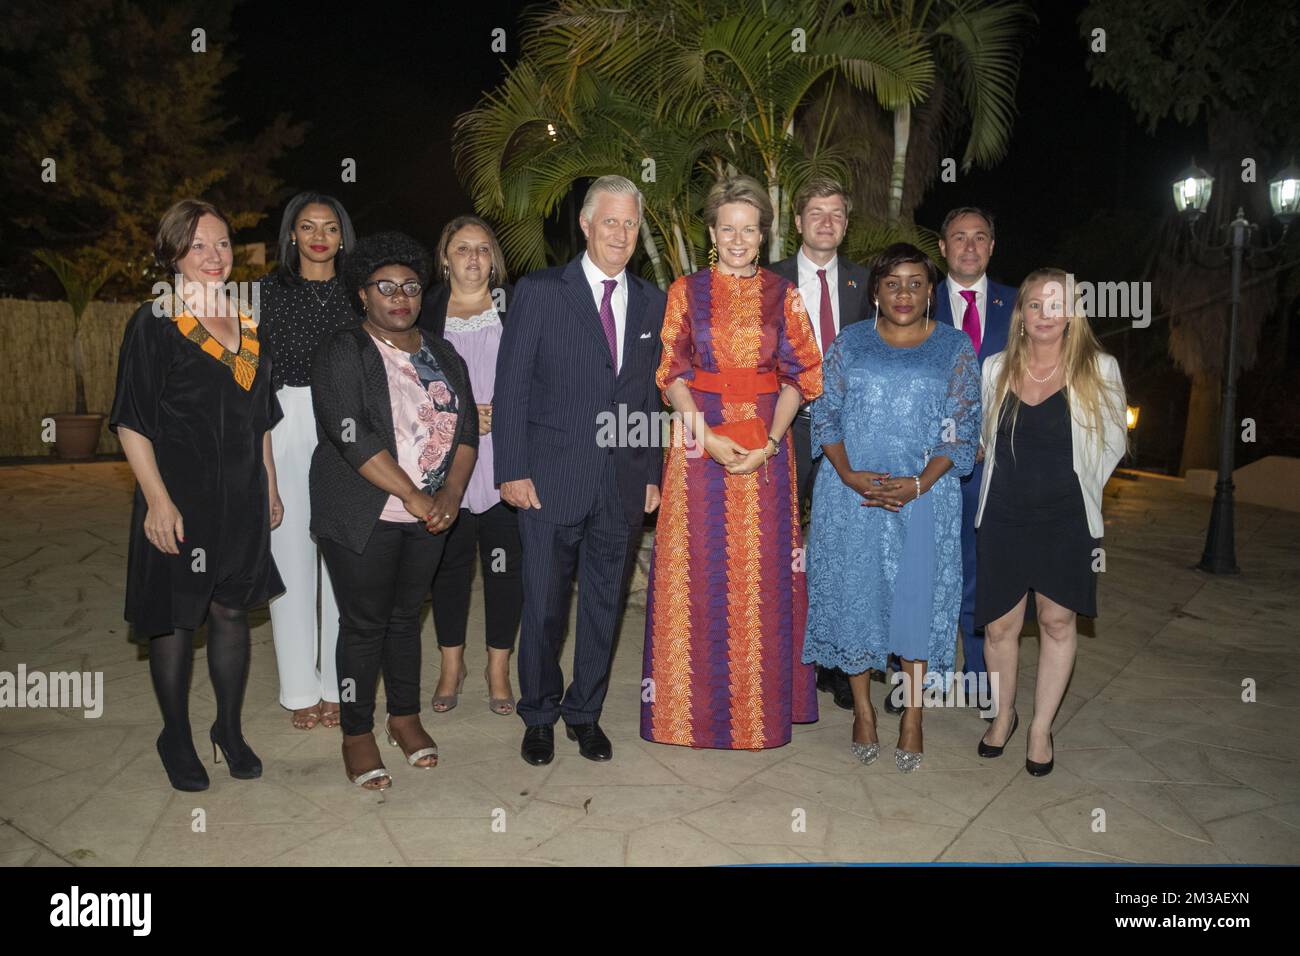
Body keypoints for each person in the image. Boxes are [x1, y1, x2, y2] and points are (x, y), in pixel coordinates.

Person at [641, 175, 823, 751]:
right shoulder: (684, 291)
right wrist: (707, 440)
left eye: (749, 228)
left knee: (762, 577)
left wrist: (770, 443)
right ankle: (682, 715)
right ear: (712, 233)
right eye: (728, 228)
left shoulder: (783, 295)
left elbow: (803, 375)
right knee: (694, 572)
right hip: (698, 449)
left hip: (767, 451)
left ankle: (759, 714)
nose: (739, 238)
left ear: (764, 233)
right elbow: (670, 373)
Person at [110, 199, 284, 791]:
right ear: (174, 253)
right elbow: (132, 421)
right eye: (199, 245)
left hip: (240, 496)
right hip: (179, 497)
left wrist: (270, 484)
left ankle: (228, 730)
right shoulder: (154, 320)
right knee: (177, 619)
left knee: (232, 612)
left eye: (223, 243)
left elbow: (259, 416)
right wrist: (157, 501)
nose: (215, 256)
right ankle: (175, 735)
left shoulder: (249, 319)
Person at [494, 175, 666, 766]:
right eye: (610, 221)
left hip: (619, 484)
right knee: (543, 605)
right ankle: (538, 714)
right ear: (586, 225)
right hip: (547, 480)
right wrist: (511, 469)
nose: (620, 233)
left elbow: (647, 398)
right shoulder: (541, 291)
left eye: (630, 223)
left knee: (602, 605)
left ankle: (583, 713)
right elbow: (511, 388)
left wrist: (650, 473)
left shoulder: (651, 301)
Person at [803, 243, 980, 772]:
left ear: (931, 290)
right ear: (876, 290)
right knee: (857, 597)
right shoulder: (849, 344)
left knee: (916, 604)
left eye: (916, 283)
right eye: (892, 283)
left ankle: (913, 717)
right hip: (850, 494)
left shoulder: (954, 348)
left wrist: (919, 484)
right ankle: (862, 711)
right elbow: (825, 414)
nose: (904, 292)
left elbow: (963, 426)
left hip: (925, 498)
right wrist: (849, 473)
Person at [310, 232, 479, 790]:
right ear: (363, 294)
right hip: (364, 511)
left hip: (430, 514)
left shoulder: (441, 350)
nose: (401, 296)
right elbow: (348, 432)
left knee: (407, 618)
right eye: (386, 287)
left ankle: (404, 718)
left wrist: (451, 494)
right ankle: (356, 733)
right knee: (363, 625)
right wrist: (413, 494)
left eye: (410, 286)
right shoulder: (343, 349)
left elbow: (467, 429)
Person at [974, 268, 1126, 776]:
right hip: (1003, 513)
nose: (1044, 314)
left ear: (1072, 314)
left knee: (1058, 621)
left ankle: (1040, 729)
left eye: (1056, 305)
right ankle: (1003, 717)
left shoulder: (1098, 367)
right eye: (1035, 304)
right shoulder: (995, 367)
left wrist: (1077, 486)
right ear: (1021, 313)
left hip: (1064, 517)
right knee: (1000, 625)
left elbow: (1112, 442)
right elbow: (982, 438)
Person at [770, 176, 869, 712]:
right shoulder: (770, 280)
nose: (826, 222)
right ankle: (780, 659)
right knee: (780, 544)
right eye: (816, 212)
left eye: (835, 213)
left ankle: (835, 664)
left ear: (845, 225)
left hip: (847, 434)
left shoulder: (865, 283)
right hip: (784, 427)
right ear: (798, 221)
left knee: (839, 549)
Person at [260, 191, 358, 732]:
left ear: (343, 236)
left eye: (329, 226)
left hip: (346, 427)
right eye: (306, 226)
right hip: (286, 419)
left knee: (341, 556)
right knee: (291, 555)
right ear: (291, 235)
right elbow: (251, 375)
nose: (319, 235)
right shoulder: (266, 293)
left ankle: (336, 685)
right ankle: (300, 688)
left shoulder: (358, 292)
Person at [416, 215, 521, 716]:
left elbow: (537, 374)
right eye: (462, 249)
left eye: (483, 249)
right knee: (449, 568)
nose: (474, 258)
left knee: (506, 567)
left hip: (508, 456)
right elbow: (406, 382)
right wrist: (459, 416)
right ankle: (451, 665)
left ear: (494, 258)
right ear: (445, 257)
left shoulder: (515, 305)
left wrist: (507, 411)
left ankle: (498, 668)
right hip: (444, 461)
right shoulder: (425, 308)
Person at [934, 206, 1018, 697]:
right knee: (927, 568)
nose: (969, 246)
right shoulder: (916, 302)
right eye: (959, 237)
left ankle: (979, 677)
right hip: (932, 466)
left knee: (981, 571)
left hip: (997, 469)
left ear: (992, 246)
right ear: (942, 248)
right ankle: (925, 671)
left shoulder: (1018, 305)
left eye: (980, 237)